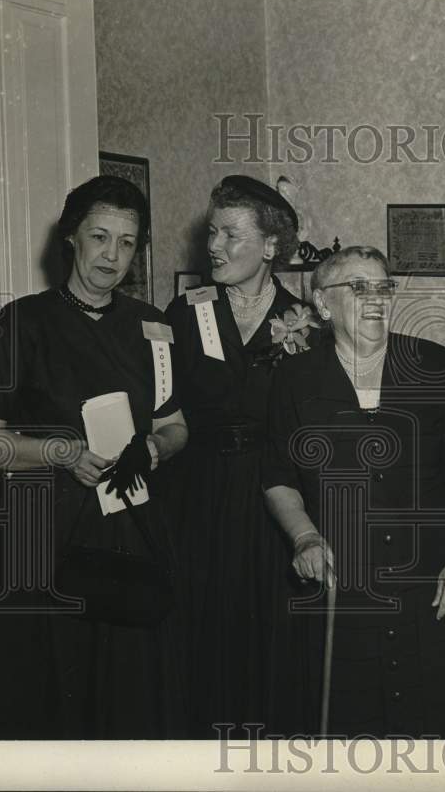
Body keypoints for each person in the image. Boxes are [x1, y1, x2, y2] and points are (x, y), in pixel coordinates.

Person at [0, 175, 189, 738]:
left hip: (128, 530)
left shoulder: (151, 326)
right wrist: (59, 452)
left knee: (128, 697)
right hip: (45, 536)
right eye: (100, 236)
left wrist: (155, 449)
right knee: (44, 700)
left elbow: (174, 425)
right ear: (71, 237)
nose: (113, 255)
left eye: (128, 242)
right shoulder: (25, 321)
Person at [263, 246, 445, 737]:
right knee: (353, 735)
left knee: (440, 736)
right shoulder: (296, 379)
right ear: (323, 305)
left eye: (383, 287)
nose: (375, 299)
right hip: (344, 594)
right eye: (358, 287)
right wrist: (303, 538)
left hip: (430, 587)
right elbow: (278, 478)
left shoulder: (433, 363)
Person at [163, 174, 314, 737]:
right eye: (212, 233)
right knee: (200, 631)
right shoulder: (186, 311)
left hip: (272, 497)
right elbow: (162, 410)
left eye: (231, 234)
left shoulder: (306, 323)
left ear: (270, 246)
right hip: (197, 494)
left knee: (271, 635)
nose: (214, 247)